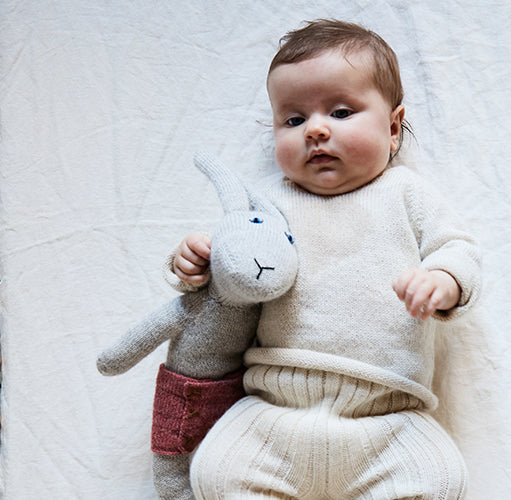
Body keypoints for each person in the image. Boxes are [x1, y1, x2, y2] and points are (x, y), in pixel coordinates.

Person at [170, 19, 481, 499]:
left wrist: (444, 279)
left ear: (393, 128)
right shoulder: (268, 203)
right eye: (293, 120)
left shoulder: (406, 194)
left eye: (340, 112)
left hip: (388, 419)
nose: (315, 129)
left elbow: (458, 248)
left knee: (441, 478)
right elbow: (235, 261)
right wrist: (198, 262)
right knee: (215, 470)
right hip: (275, 412)